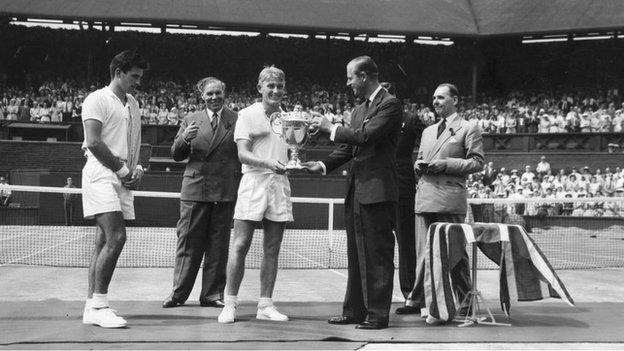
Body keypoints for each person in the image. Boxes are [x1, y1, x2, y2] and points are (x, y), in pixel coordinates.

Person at [305, 56, 402, 329]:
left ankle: (377, 315)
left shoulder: (391, 105)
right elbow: (350, 149)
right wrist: (322, 164)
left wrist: (330, 128)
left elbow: (366, 137)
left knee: (377, 254)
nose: (348, 84)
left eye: (350, 78)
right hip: (357, 192)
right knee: (356, 254)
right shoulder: (359, 110)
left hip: (379, 192)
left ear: (364, 77)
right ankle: (355, 311)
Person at [218, 66, 292, 324]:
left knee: (272, 248)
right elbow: (242, 154)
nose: (275, 91)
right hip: (253, 183)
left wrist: (290, 162)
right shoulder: (247, 114)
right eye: (270, 86)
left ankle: (265, 304)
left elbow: (290, 152)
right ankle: (229, 304)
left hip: (279, 184)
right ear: (260, 88)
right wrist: (267, 163)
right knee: (240, 245)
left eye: (279, 86)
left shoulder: (290, 119)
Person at [405, 83, 485, 324]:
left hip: (449, 200)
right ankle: (424, 301)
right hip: (425, 198)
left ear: (455, 100)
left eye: (441, 97)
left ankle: (465, 300)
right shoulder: (428, 131)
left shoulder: (469, 128)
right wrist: (419, 166)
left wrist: (446, 164)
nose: (436, 102)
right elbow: (420, 159)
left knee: (455, 253)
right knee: (424, 254)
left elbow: (477, 163)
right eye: (434, 98)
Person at [80, 50, 148, 328]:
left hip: (122, 175)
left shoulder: (132, 102)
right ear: (118, 72)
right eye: (134, 76)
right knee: (116, 237)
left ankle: (90, 305)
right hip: (101, 174)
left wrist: (137, 169)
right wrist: (122, 170)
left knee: (102, 241)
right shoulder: (96, 99)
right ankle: (100, 305)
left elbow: (132, 141)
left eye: (140, 77)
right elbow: (94, 143)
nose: (137, 82)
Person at [162, 77, 241, 309]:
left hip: (225, 191)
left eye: (218, 93)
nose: (214, 97)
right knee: (188, 244)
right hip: (195, 190)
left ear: (224, 93)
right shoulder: (190, 119)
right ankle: (178, 294)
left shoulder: (237, 119)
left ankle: (212, 295)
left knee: (219, 245)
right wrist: (185, 139)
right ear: (202, 97)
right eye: (210, 94)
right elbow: (176, 154)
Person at [381, 82, 421, 315]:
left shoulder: (411, 118)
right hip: (378, 186)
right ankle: (376, 299)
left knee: (406, 242)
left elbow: (431, 138)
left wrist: (422, 159)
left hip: (403, 188)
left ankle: (411, 297)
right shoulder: (373, 117)